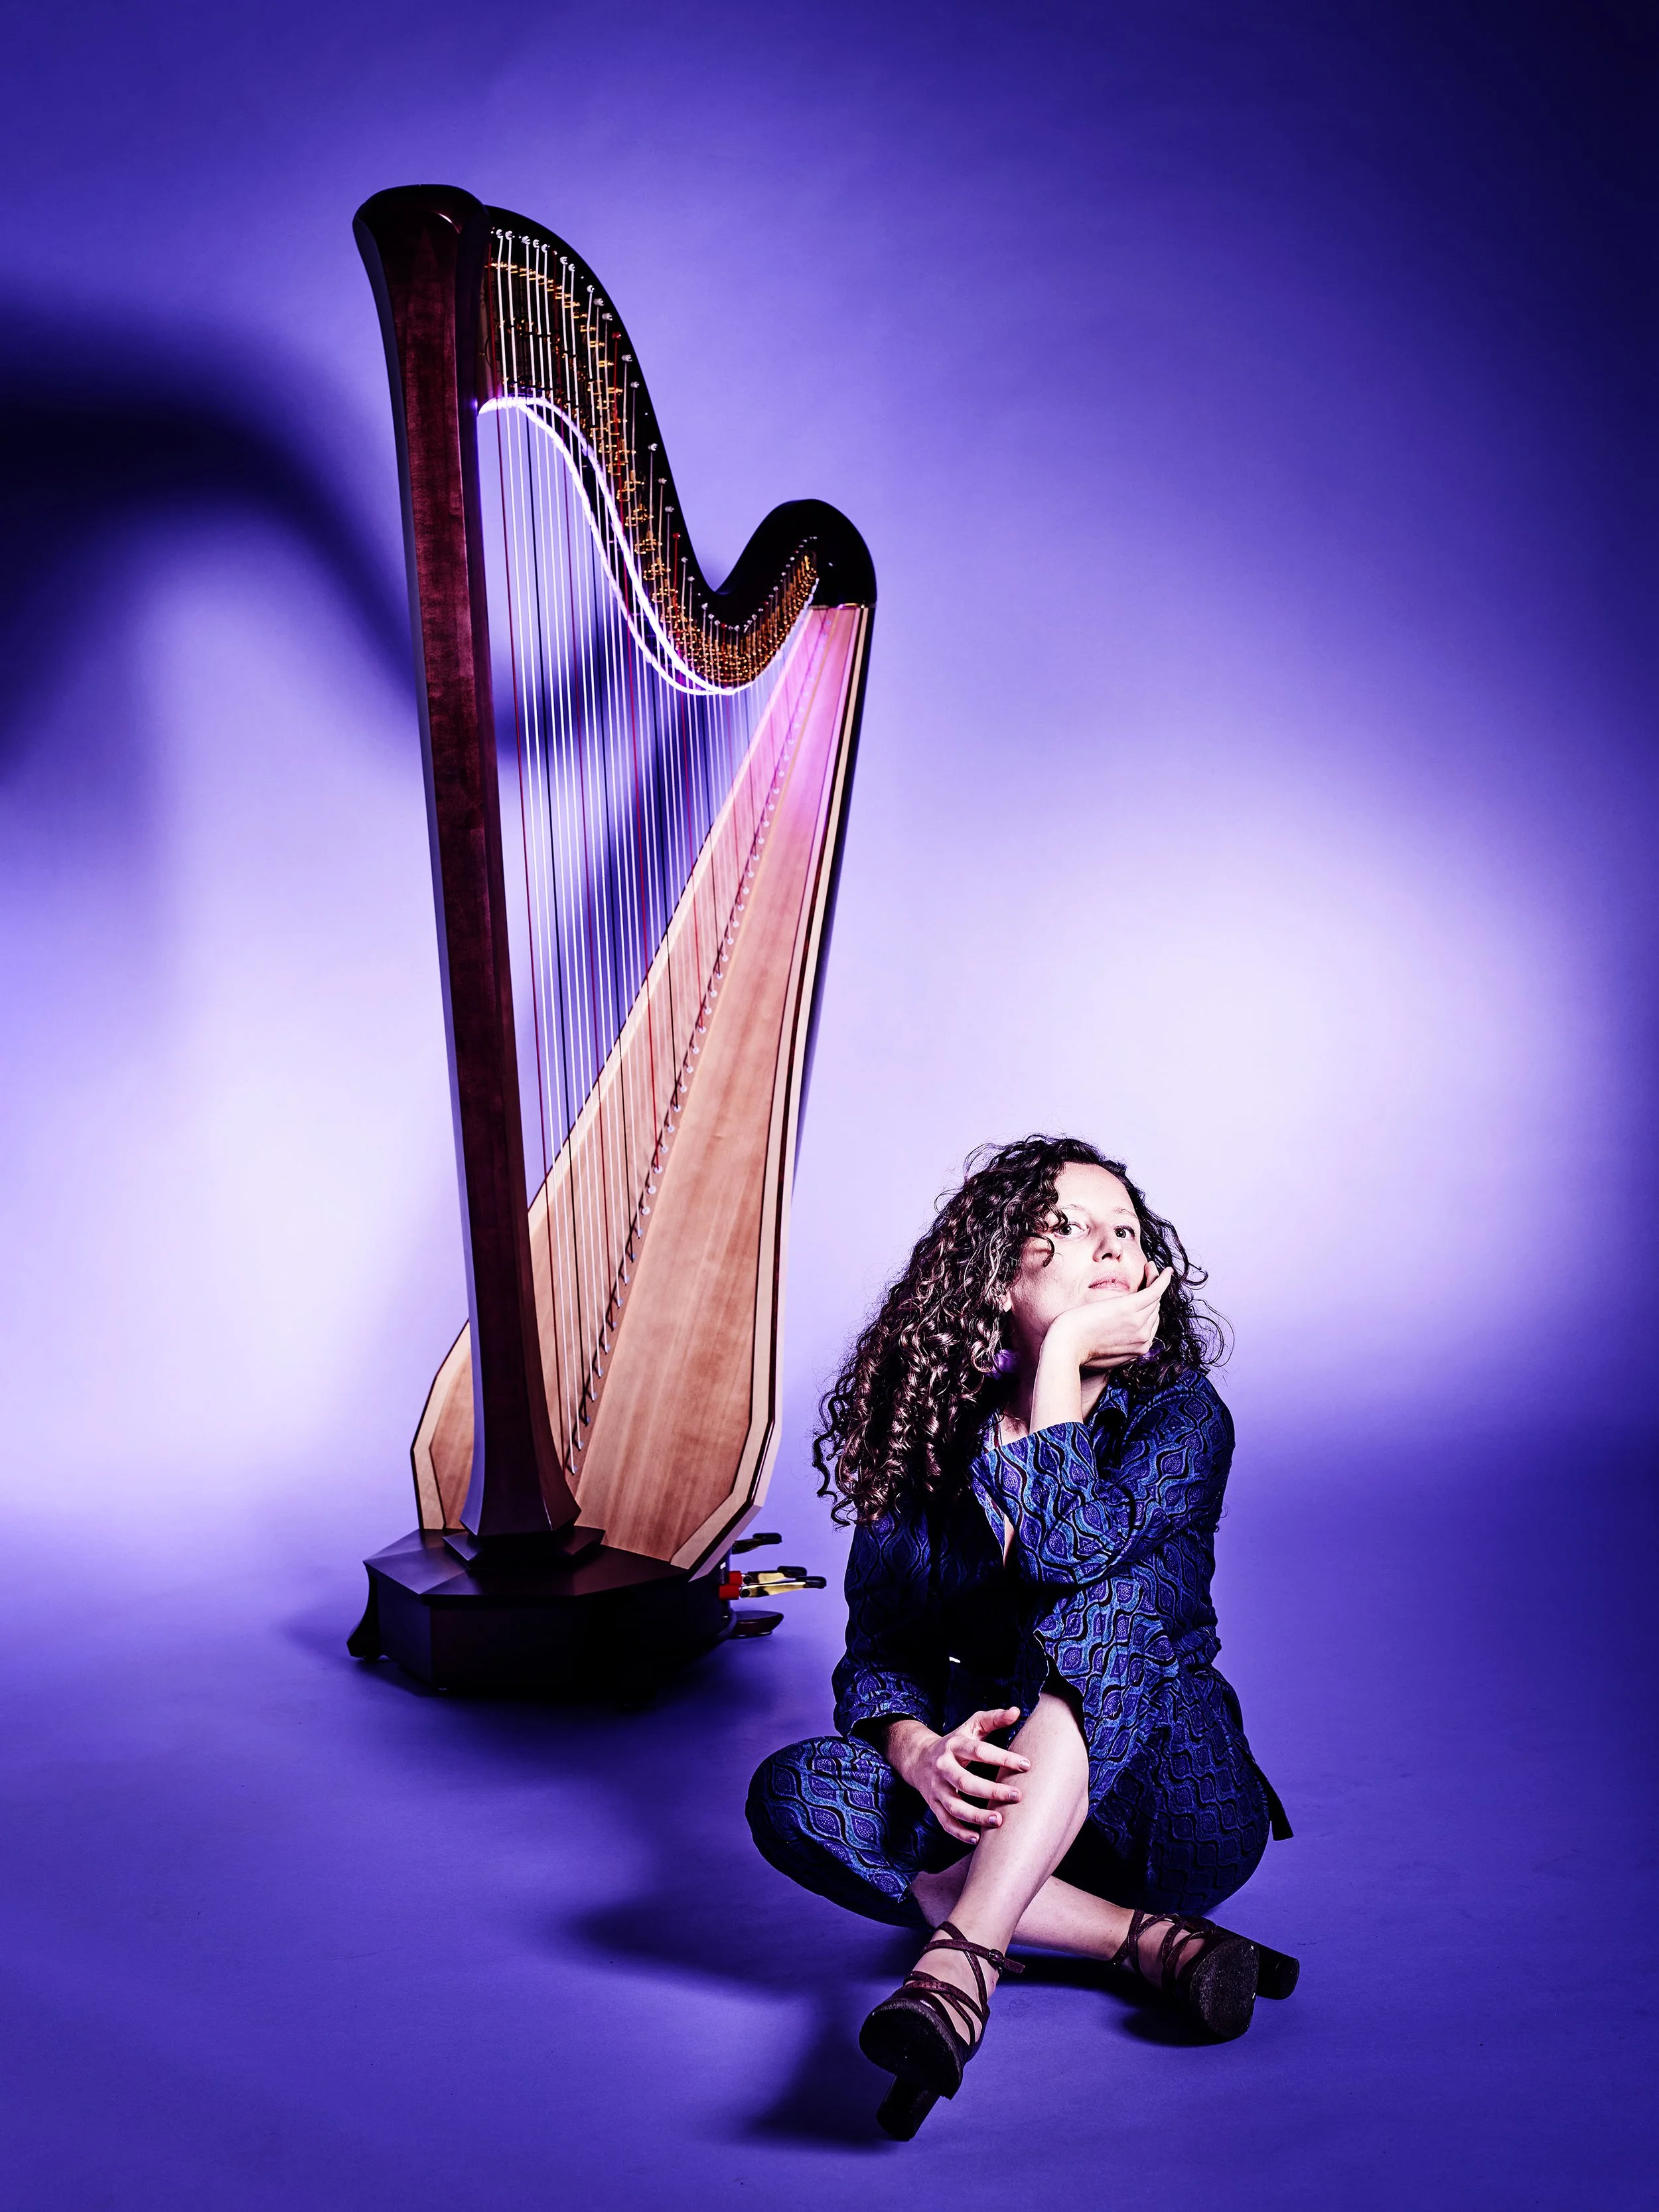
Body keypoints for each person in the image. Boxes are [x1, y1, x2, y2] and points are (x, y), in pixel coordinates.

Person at [745, 1135, 1295, 2137]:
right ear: (996, 1275)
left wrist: (1062, 1366)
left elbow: (1071, 1553)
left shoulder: (1181, 1419)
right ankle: (1143, 1944)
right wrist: (918, 1753)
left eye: (1126, 1232)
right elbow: (880, 1655)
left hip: (1171, 1805)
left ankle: (959, 1964)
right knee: (793, 1791)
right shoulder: (929, 1438)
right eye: (1073, 1227)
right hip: (1007, 1804)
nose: (1112, 1248)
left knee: (1112, 1607)